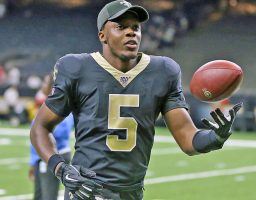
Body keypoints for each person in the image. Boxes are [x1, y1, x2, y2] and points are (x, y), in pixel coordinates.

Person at [30, 1, 242, 200]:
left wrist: (215, 138)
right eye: (121, 27)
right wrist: (60, 167)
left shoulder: (163, 71)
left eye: (136, 27)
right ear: (102, 35)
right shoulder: (77, 68)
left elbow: (188, 139)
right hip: (87, 190)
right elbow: (40, 127)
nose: (131, 31)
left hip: (131, 192)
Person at [29, 75, 74, 200]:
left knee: (48, 196)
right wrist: (33, 162)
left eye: (45, 82)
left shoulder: (61, 104)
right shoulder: (46, 103)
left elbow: (60, 131)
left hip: (52, 154)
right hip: (40, 156)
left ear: (52, 86)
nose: (42, 86)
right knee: (39, 195)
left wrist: (43, 129)